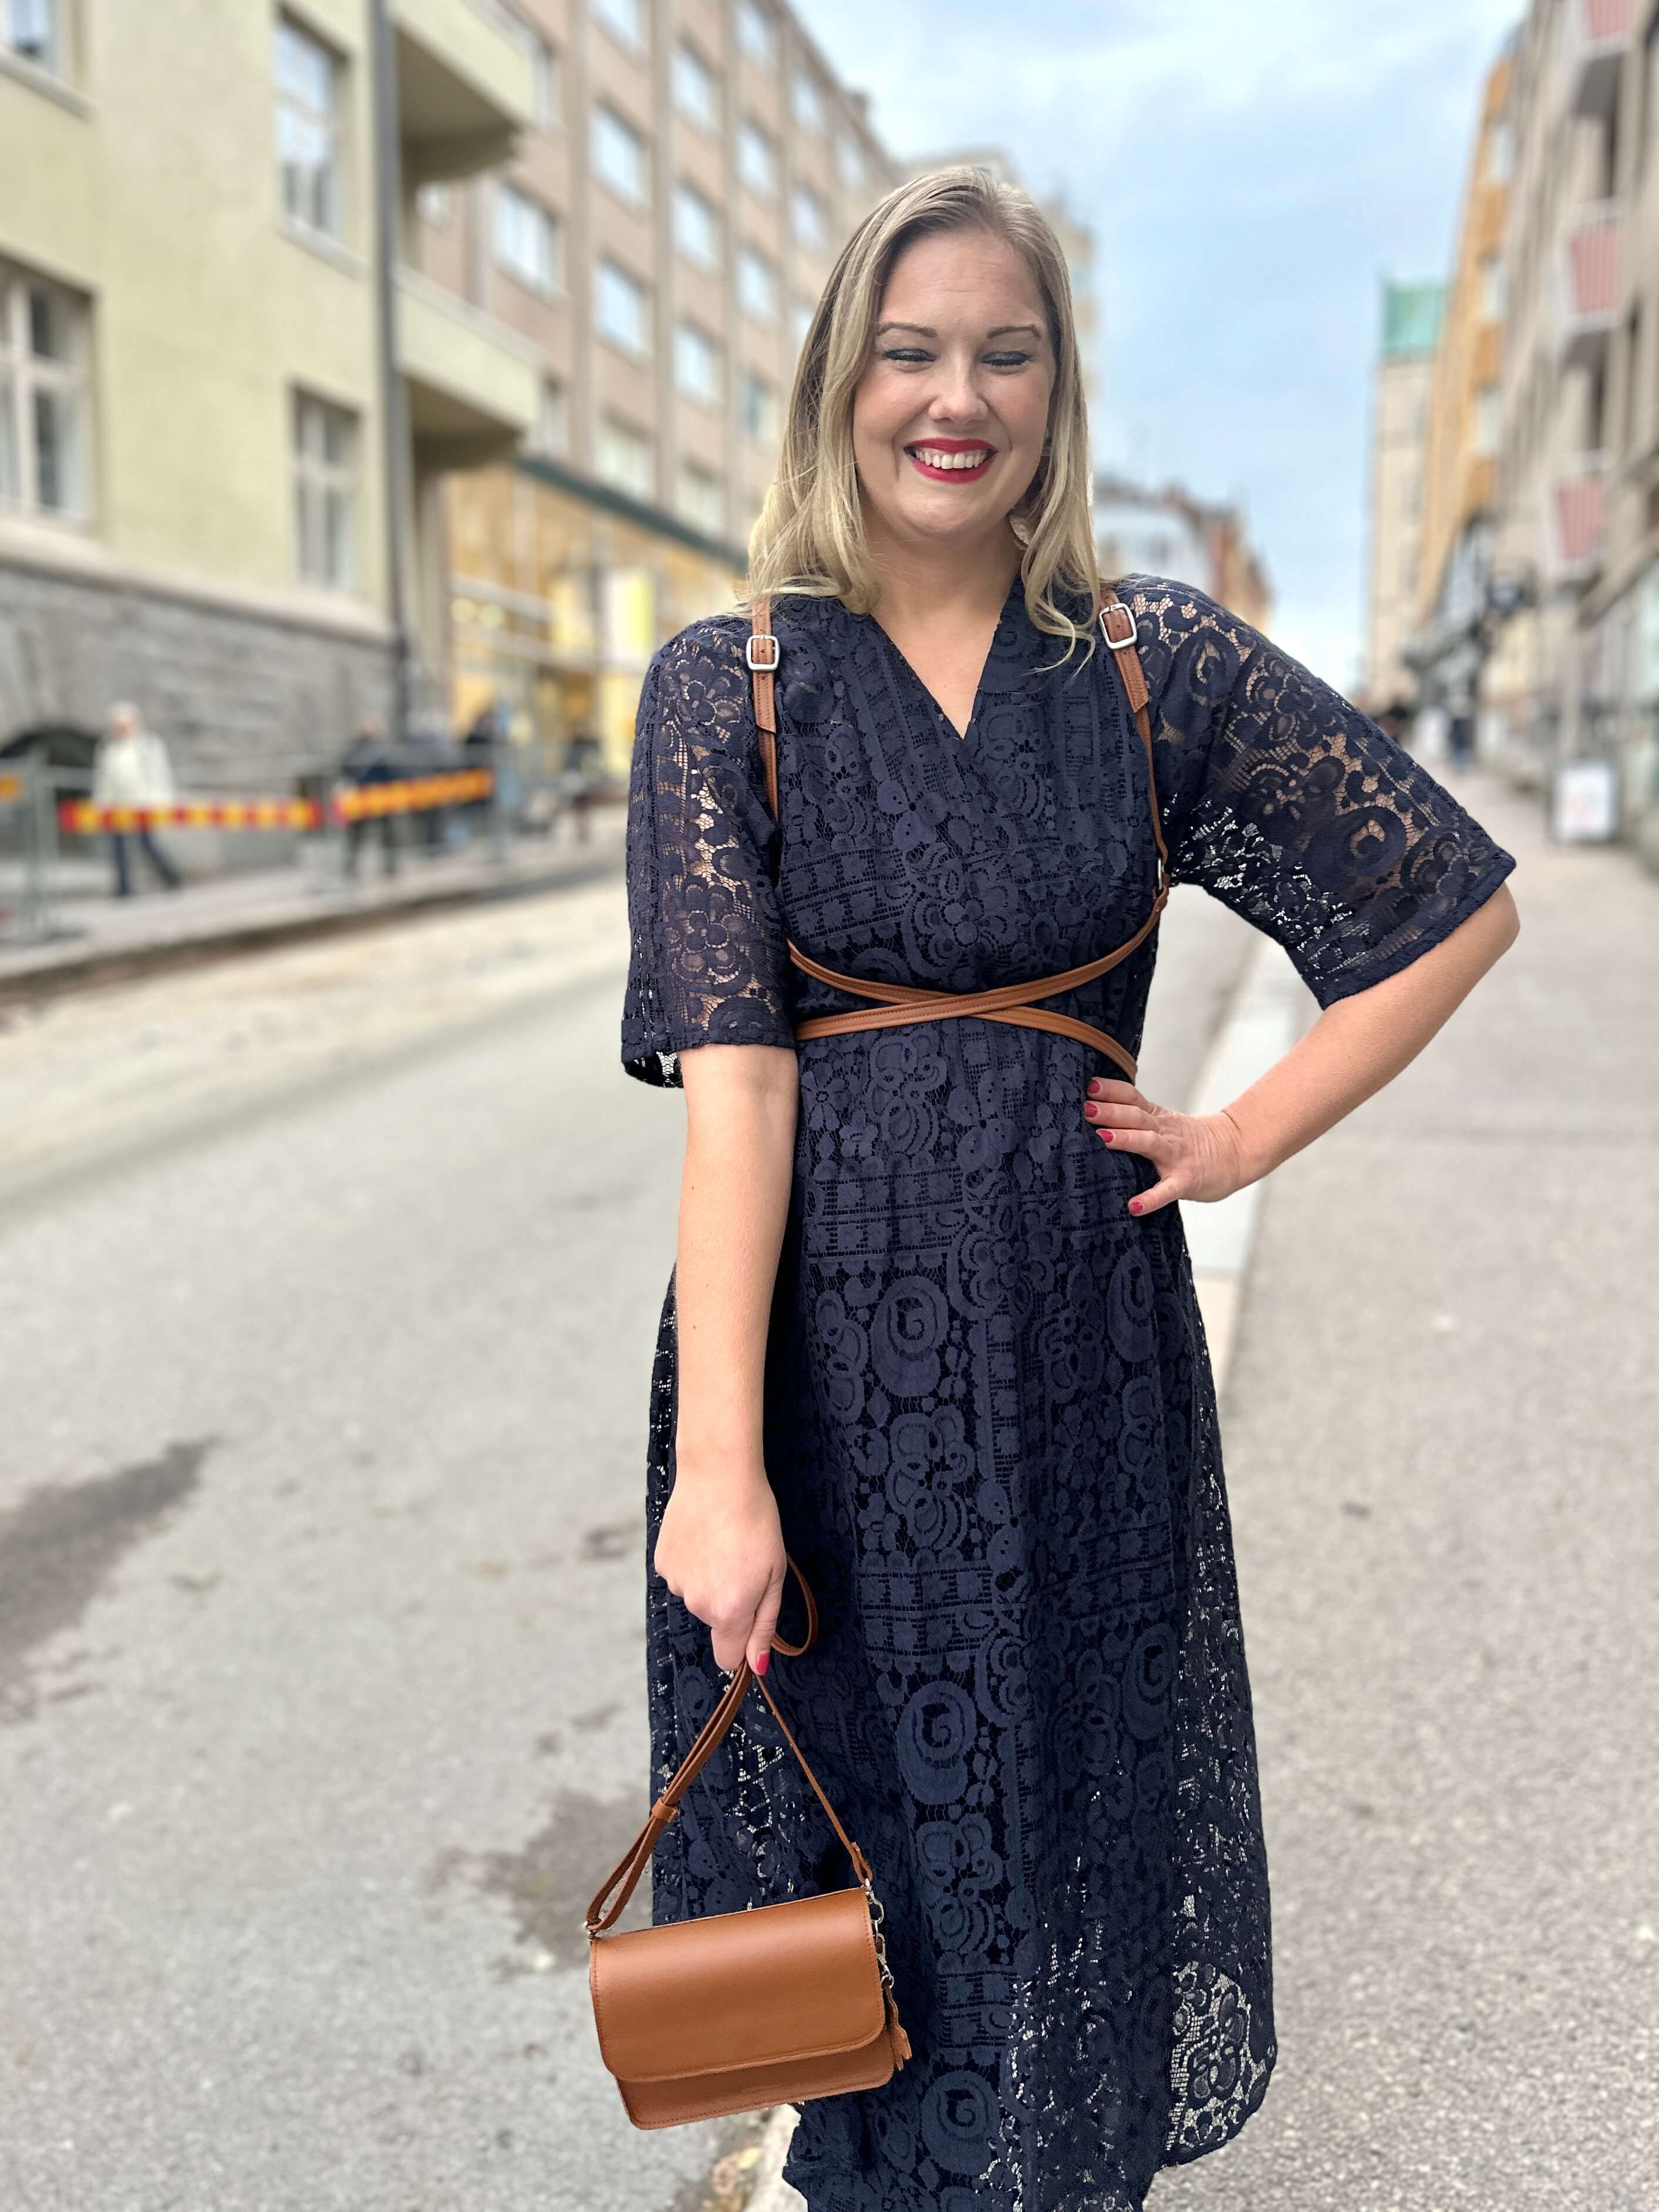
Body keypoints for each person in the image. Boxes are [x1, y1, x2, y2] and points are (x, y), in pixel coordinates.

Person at [620, 168, 1519, 2211]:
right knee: (853, 1859)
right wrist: (725, 1468)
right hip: (820, 1378)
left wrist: (1242, 1133)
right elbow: (736, 1091)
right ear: (841, 380)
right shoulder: (725, 684)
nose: (957, 397)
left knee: (1071, 1818)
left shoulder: (1147, 665)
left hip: (1076, 1352)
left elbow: (1446, 907)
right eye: (910, 351)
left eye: (1004, 353)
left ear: (1056, 390)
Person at [93, 701, 181, 897]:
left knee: (146, 843)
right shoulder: (108, 748)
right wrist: (102, 804)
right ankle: (123, 887)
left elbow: (159, 775)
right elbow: (105, 780)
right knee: (118, 846)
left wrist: (161, 800)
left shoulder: (147, 745)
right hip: (118, 805)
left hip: (142, 804)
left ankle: (171, 876)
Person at [339, 714, 399, 879]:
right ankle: (353, 868)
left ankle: (387, 866)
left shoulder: (363, 749)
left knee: (378, 834)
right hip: (369, 797)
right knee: (361, 835)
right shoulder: (368, 749)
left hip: (374, 796)